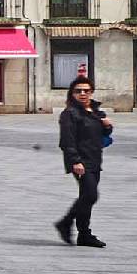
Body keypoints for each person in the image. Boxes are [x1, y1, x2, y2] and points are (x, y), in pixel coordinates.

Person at [56, 75, 112, 247]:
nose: (82, 94)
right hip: (80, 161)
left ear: (91, 92)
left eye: (86, 91)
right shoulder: (69, 114)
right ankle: (65, 223)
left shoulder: (96, 111)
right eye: (78, 91)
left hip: (95, 159)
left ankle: (83, 235)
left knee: (86, 197)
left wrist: (108, 126)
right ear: (72, 94)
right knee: (90, 195)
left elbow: (103, 135)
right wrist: (75, 161)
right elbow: (67, 140)